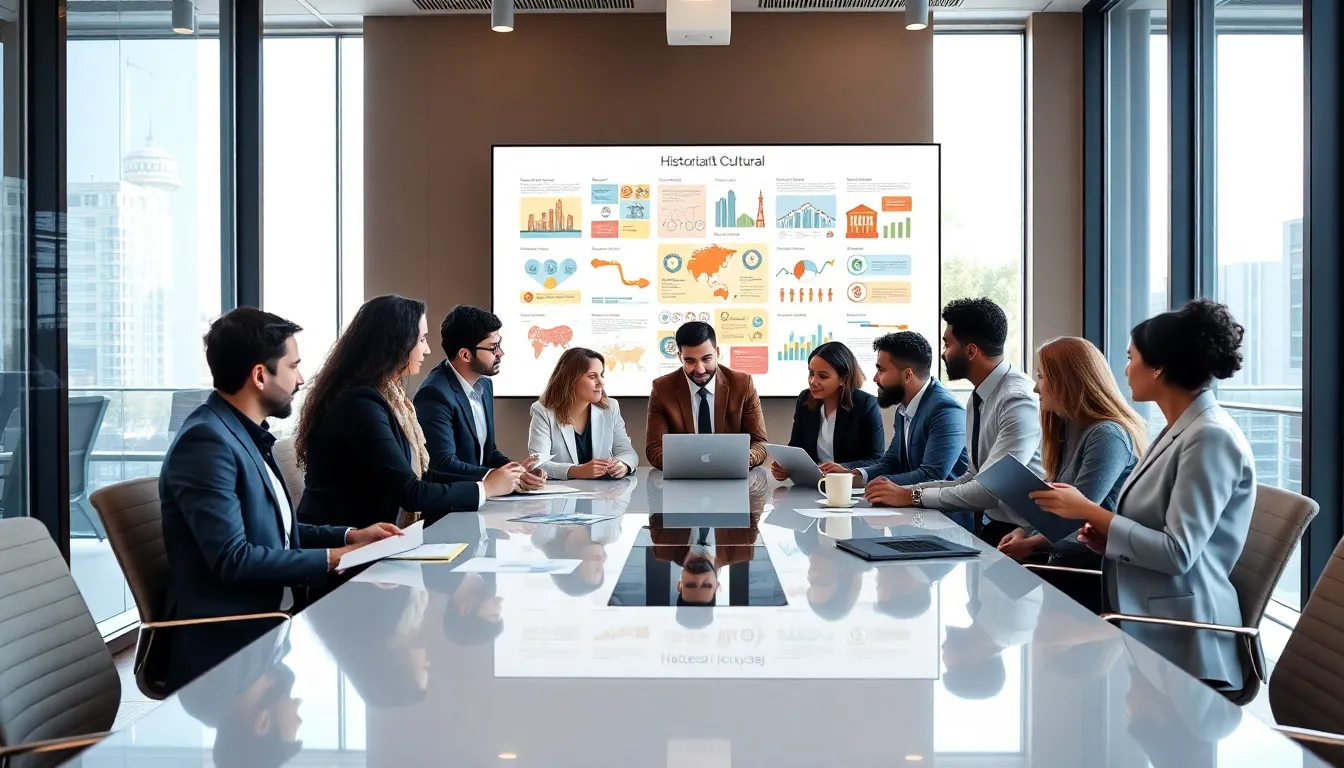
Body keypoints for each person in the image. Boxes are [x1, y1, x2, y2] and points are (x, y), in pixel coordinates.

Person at [159, 308, 401, 692]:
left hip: (272, 620)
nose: (302, 379)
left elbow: (274, 530)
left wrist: (349, 536)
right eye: (293, 366)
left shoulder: (243, 432)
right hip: (230, 643)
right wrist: (334, 559)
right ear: (260, 376)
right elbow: (233, 559)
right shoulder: (207, 443)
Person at [1030, 299, 1255, 690]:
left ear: (1159, 367)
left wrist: (1091, 512)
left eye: (1130, 357)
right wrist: (1107, 541)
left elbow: (1178, 553)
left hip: (1185, 641)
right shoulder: (1179, 429)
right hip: (1141, 614)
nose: (1125, 369)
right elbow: (1155, 533)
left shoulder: (1209, 437)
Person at [296, 296, 524, 531]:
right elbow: (410, 492)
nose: (428, 349)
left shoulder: (389, 396)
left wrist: (504, 476)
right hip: (349, 543)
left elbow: (422, 476)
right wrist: (486, 487)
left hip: (379, 536)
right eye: (422, 340)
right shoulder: (361, 403)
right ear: (397, 344)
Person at [869, 298, 1044, 543]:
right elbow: (972, 476)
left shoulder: (1017, 399)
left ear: (971, 351)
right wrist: (903, 492)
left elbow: (992, 488)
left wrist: (912, 497)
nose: (942, 353)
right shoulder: (978, 395)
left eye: (947, 344)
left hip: (1026, 536)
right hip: (995, 527)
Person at [996, 337, 1146, 570]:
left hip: (1090, 573)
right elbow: (1055, 509)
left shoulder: (1107, 434)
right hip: (1063, 561)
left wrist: (1031, 543)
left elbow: (1079, 514)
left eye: (1041, 376)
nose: (1036, 388)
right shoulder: (1067, 428)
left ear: (1066, 382)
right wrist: (1022, 530)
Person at [414, 305, 544, 490]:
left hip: (485, 498)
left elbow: (487, 451)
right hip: (453, 505)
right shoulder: (434, 394)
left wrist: (518, 471)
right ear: (465, 355)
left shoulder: (485, 384)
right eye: (493, 347)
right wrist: (501, 477)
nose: (501, 353)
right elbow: (443, 464)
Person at [821, 331, 968, 494]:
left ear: (907, 375)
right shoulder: (904, 409)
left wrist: (875, 484)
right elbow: (891, 462)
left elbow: (931, 475)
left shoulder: (946, 410)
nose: (876, 378)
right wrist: (852, 475)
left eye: (881, 370)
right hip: (917, 510)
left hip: (946, 516)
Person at [645, 321, 768, 469]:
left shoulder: (742, 384)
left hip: (731, 475)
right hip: (685, 478)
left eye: (706, 358)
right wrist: (692, 465)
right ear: (679, 357)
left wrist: (744, 458)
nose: (700, 369)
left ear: (717, 352)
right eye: (690, 361)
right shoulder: (662, 389)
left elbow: (760, 443)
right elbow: (654, 449)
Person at [770, 341, 883, 481]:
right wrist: (785, 467)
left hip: (849, 488)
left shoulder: (865, 404)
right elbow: (796, 447)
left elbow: (877, 459)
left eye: (823, 376)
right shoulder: (805, 399)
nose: (813, 381)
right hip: (812, 485)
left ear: (843, 378)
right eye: (811, 373)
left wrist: (846, 468)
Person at [528, 347, 640, 480]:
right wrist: (577, 471)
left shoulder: (610, 408)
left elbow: (628, 453)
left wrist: (623, 465)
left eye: (601, 375)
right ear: (571, 380)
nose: (600, 383)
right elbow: (537, 464)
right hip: (561, 497)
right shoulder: (543, 411)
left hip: (603, 496)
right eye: (592, 377)